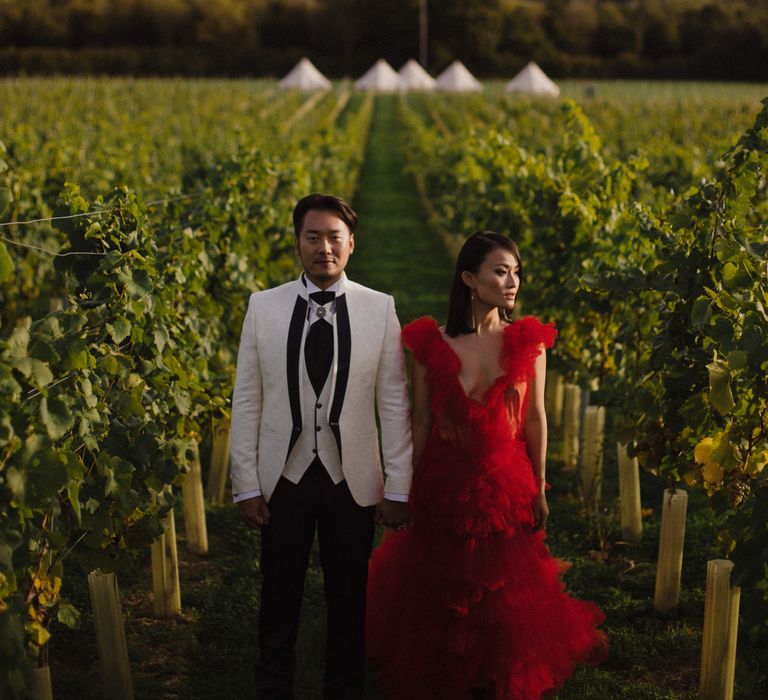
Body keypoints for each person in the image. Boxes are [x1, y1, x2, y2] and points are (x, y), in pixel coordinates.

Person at [366, 231, 605, 699]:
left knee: (504, 583)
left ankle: (494, 665)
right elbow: (419, 420)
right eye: (501, 271)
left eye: (516, 271)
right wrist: (404, 485)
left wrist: (538, 486)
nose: (513, 281)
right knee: (439, 577)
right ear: (470, 280)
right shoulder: (430, 344)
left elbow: (535, 418)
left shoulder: (527, 342)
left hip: (505, 479)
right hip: (444, 477)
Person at [230, 193, 413, 700]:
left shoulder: (381, 309)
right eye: (313, 237)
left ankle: (344, 687)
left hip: (351, 478)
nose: (324, 248)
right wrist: (245, 482)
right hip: (281, 476)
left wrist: (398, 487)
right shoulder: (262, 307)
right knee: (278, 590)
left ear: (351, 245)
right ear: (297, 244)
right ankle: (273, 686)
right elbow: (247, 399)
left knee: (348, 593)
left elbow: (394, 404)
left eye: (335, 237)